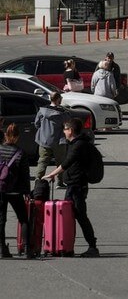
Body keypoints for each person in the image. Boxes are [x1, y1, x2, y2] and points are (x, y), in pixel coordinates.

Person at [43, 118, 100, 257]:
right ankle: (67, 246)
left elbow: (67, 163)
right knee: (69, 216)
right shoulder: (74, 143)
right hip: (73, 185)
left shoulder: (79, 145)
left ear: (71, 130)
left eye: (65, 129)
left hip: (77, 186)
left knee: (80, 216)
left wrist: (52, 174)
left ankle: (92, 246)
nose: (63, 132)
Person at [0, 123, 31, 258]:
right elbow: (25, 175)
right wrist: (27, 192)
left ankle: (2, 249)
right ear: (18, 137)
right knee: (23, 219)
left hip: (0, 189)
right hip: (15, 191)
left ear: (5, 135)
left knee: (1, 220)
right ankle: (27, 248)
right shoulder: (20, 153)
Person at [34, 91, 70, 181]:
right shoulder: (63, 113)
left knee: (42, 160)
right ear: (58, 99)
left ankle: (38, 179)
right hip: (59, 141)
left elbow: (36, 124)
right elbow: (67, 125)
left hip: (44, 140)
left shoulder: (42, 111)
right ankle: (60, 181)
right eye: (61, 98)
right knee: (60, 162)